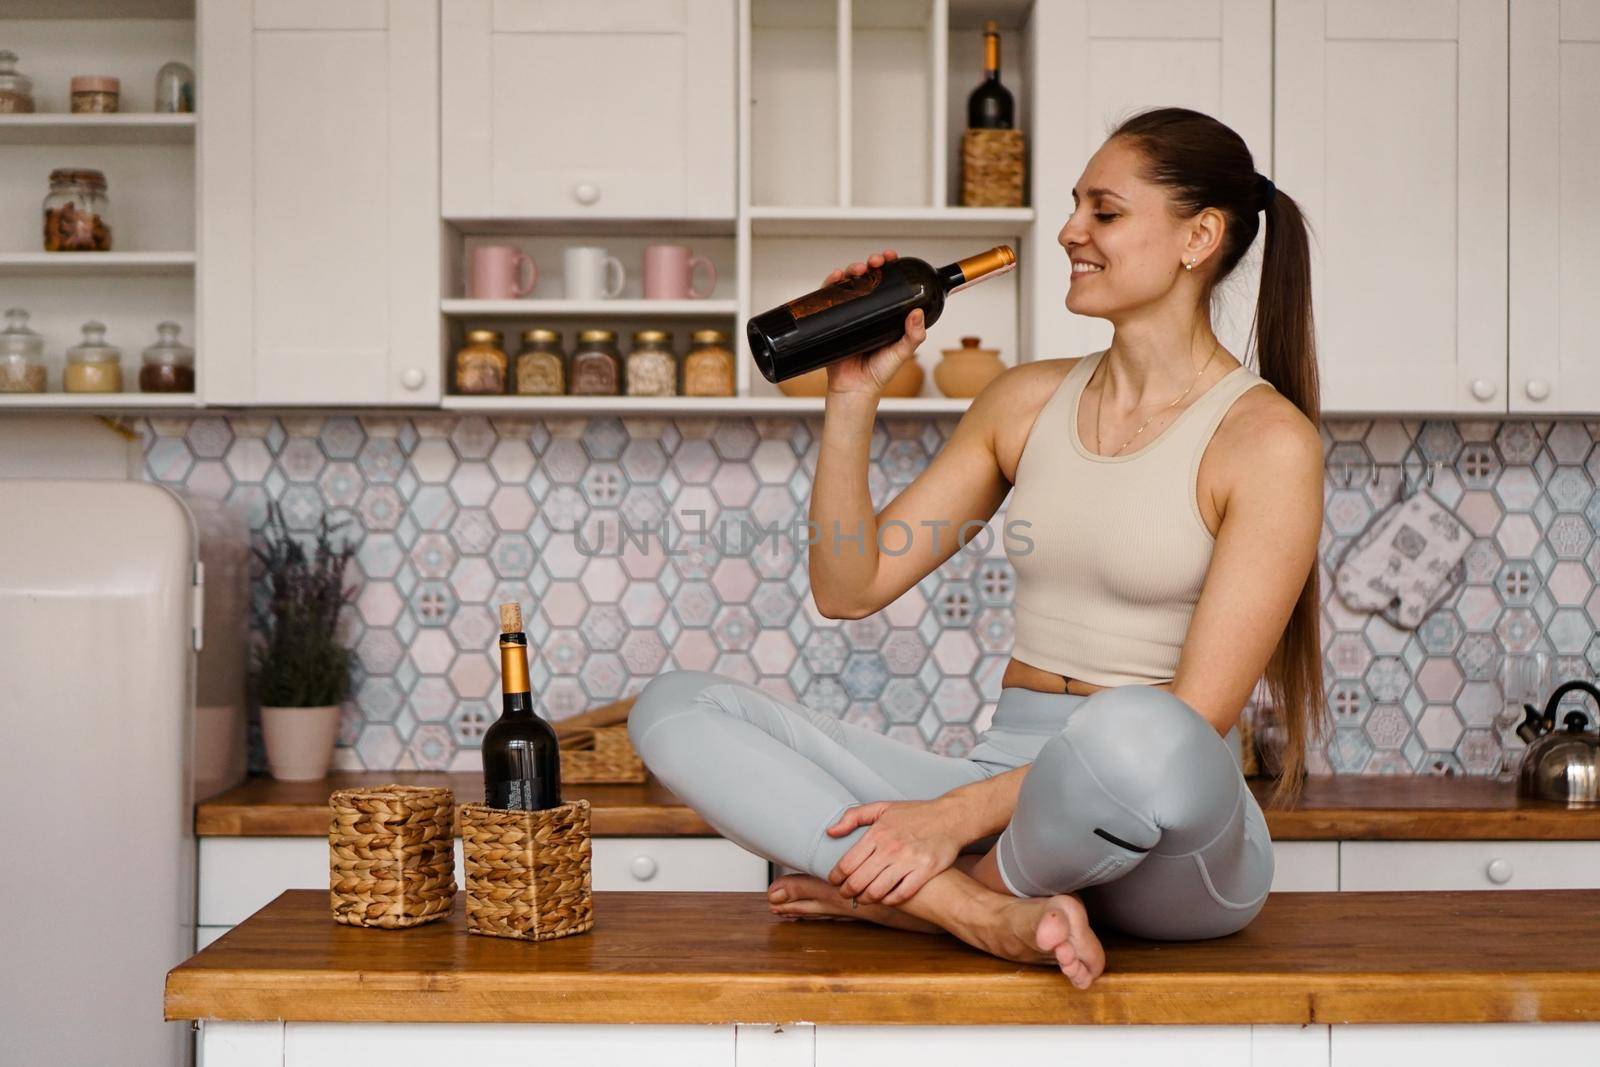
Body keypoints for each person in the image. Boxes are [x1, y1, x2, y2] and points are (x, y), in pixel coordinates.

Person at [627, 106, 1326, 990]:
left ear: (1199, 237)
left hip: (1172, 834)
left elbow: (1198, 717)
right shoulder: (1023, 403)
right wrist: (852, 394)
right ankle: (976, 910)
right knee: (675, 706)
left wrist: (949, 818)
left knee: (1141, 725)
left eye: (1104, 212)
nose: (1071, 230)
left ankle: (907, 892)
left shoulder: (1266, 440)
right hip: (1009, 779)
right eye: (1075, 206)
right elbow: (851, 584)